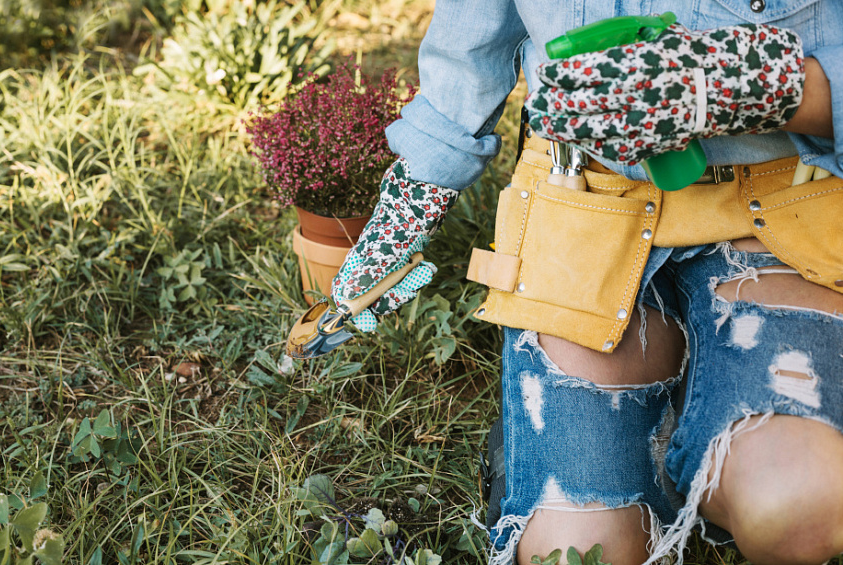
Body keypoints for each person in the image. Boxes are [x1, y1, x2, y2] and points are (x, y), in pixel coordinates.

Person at [329, 1, 843, 564]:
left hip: (783, 202)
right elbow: (468, 50)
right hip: (584, 198)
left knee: (798, 503)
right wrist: (408, 209)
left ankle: (700, 414)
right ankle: (688, 409)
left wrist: (744, 87)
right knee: (579, 552)